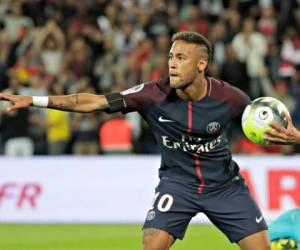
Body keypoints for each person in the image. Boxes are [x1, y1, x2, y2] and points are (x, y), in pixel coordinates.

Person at [1, 31, 300, 250]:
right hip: (177, 185)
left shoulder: (231, 98)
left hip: (224, 187)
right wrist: (35, 99)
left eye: (181, 58)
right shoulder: (150, 95)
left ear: (201, 64)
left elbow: (265, 128)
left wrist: (295, 136)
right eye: (171, 56)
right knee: (151, 245)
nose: (171, 63)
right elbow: (91, 102)